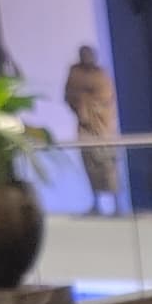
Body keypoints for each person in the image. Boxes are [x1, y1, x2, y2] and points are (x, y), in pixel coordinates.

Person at [63, 45, 118, 214]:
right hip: (84, 126)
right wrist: (81, 103)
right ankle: (96, 202)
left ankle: (116, 204)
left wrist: (91, 104)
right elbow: (69, 95)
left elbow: (106, 97)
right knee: (89, 164)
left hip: (101, 127)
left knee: (107, 164)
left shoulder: (101, 76)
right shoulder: (75, 74)